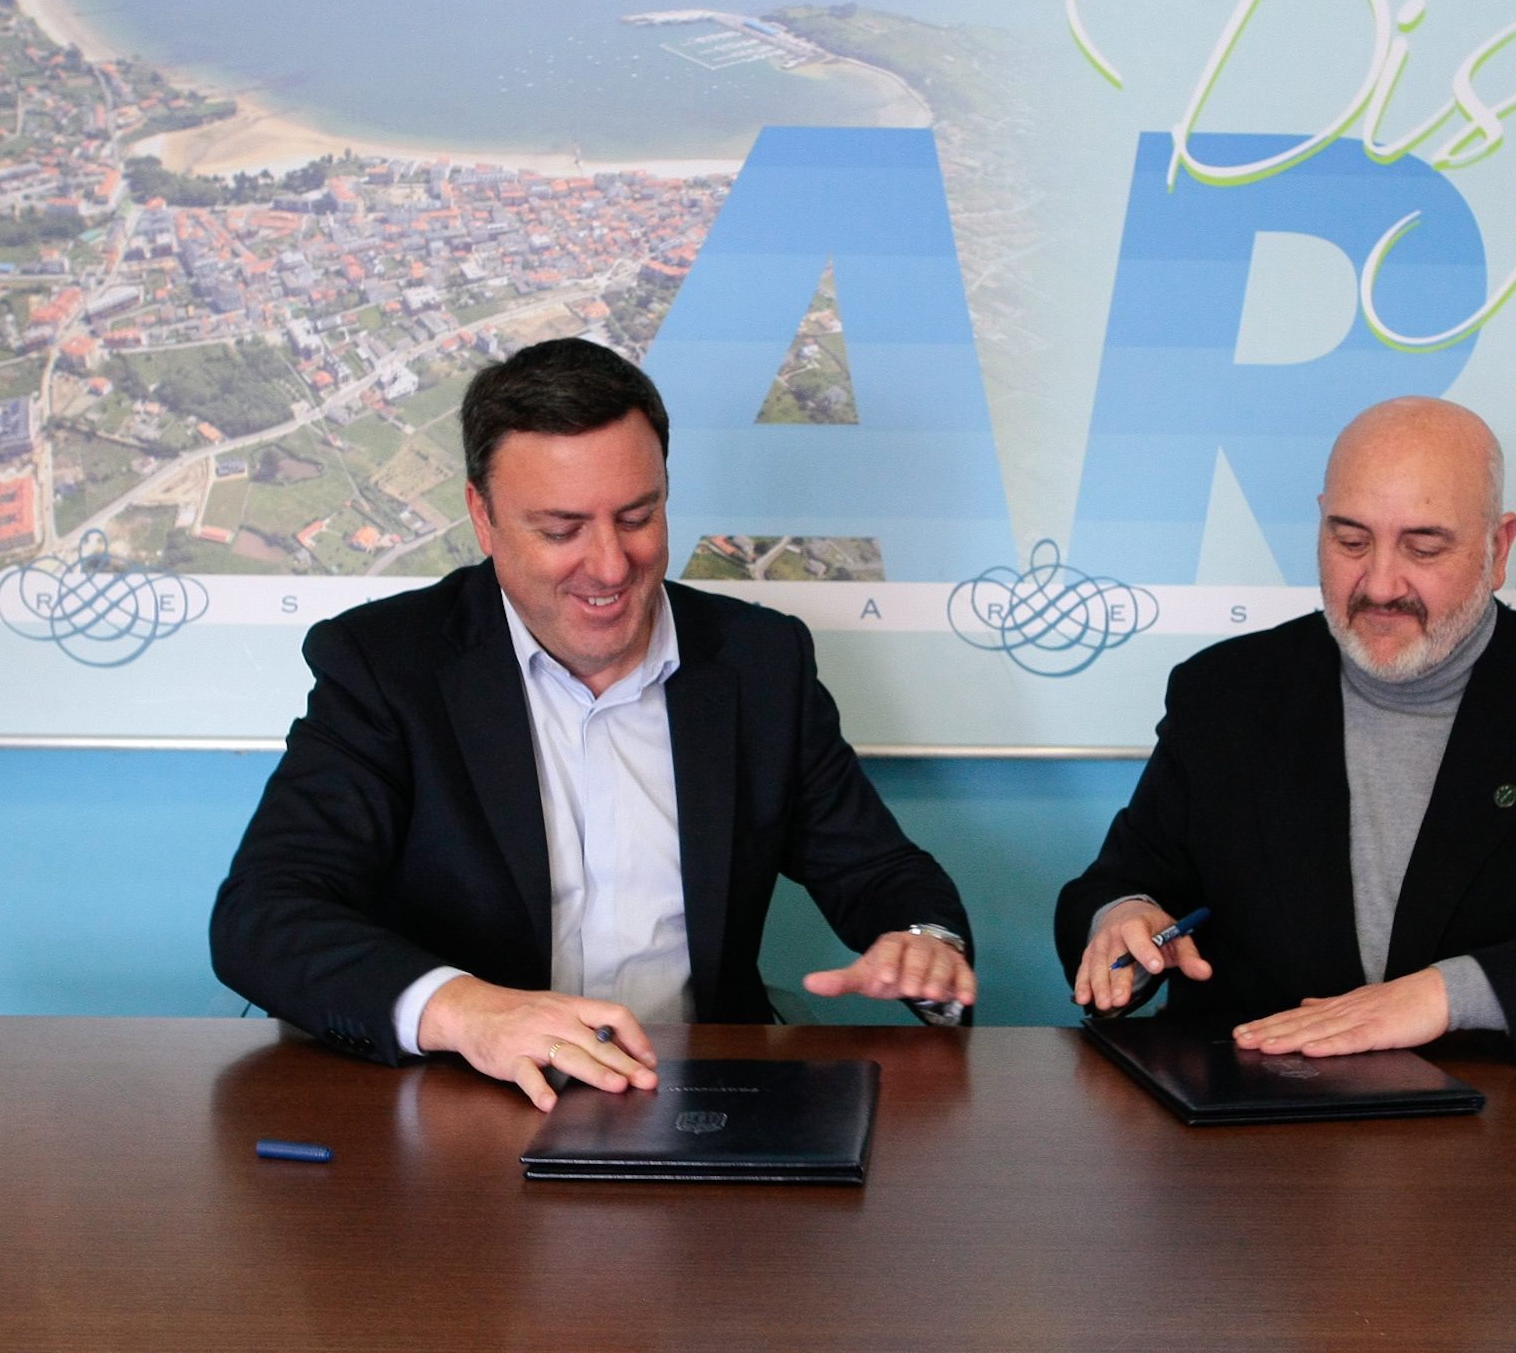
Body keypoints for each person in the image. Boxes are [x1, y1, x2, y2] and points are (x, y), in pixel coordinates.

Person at [213, 338, 975, 1110]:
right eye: (561, 530)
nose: (611, 566)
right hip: (466, 1108)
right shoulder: (384, 666)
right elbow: (263, 915)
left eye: (637, 517)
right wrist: (466, 1010)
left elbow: (881, 872)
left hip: (697, 1102)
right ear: (482, 517)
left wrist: (925, 945)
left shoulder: (761, 662)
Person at [1054, 396, 1516, 1068]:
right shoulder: (1224, 692)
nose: (1380, 584)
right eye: (1351, 541)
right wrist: (1123, 919)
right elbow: (1123, 883)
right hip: (1256, 1110)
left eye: (1423, 547)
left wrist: (1447, 995)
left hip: (1509, 1120)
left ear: (1498, 548)